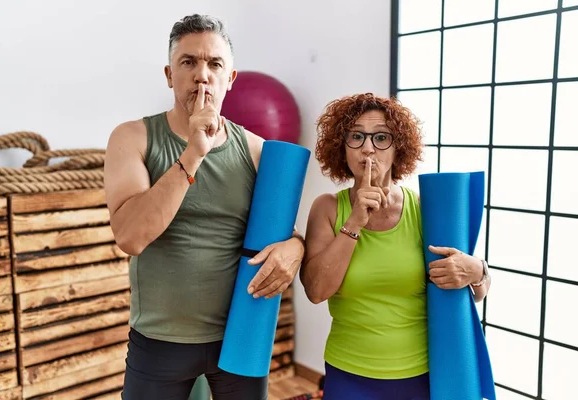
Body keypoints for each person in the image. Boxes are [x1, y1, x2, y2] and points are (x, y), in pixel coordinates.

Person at [103, 14, 305, 400]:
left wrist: (296, 246)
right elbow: (131, 236)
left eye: (214, 64)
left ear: (229, 79)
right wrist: (195, 152)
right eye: (188, 62)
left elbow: (284, 232)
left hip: (239, 336)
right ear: (168, 74)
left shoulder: (257, 150)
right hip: (158, 340)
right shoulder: (133, 138)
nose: (201, 75)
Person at [300, 93, 491, 400]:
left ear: (398, 147)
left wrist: (479, 271)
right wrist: (355, 222)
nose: (367, 147)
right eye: (356, 136)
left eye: (381, 137)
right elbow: (316, 291)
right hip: (349, 371)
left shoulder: (424, 208)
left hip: (422, 374)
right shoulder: (327, 208)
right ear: (342, 147)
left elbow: (475, 293)